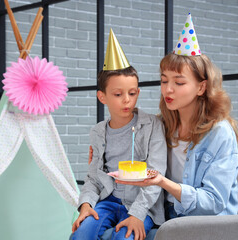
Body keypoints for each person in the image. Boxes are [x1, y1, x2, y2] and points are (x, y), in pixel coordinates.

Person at [115, 13, 238, 222]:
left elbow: (214, 201)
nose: (168, 89)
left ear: (201, 87)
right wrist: (104, 148)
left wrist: (163, 182)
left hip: (208, 222)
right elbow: (134, 156)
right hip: (165, 215)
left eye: (179, 83)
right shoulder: (162, 125)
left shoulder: (220, 132)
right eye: (164, 81)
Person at [71, 29, 167, 240]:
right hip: (107, 202)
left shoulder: (153, 126)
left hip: (142, 204)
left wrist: (137, 215)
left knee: (123, 237)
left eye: (132, 93)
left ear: (138, 93)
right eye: (118, 94)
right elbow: (94, 178)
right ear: (102, 96)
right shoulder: (97, 132)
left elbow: (156, 176)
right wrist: (86, 204)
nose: (127, 100)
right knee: (80, 235)